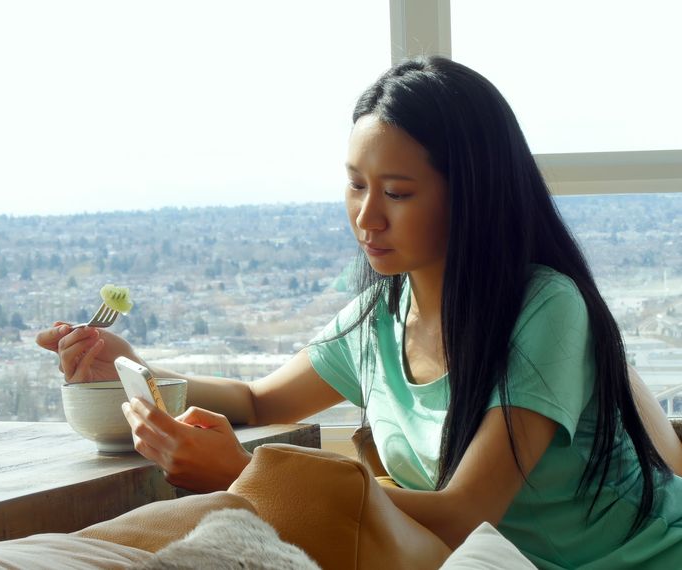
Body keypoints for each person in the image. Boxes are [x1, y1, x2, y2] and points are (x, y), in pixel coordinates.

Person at [36, 56, 682, 567]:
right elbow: (260, 401)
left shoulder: (545, 308)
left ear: (473, 194)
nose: (367, 217)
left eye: (397, 192)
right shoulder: (378, 322)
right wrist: (131, 366)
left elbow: (464, 513)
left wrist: (246, 472)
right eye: (355, 184)